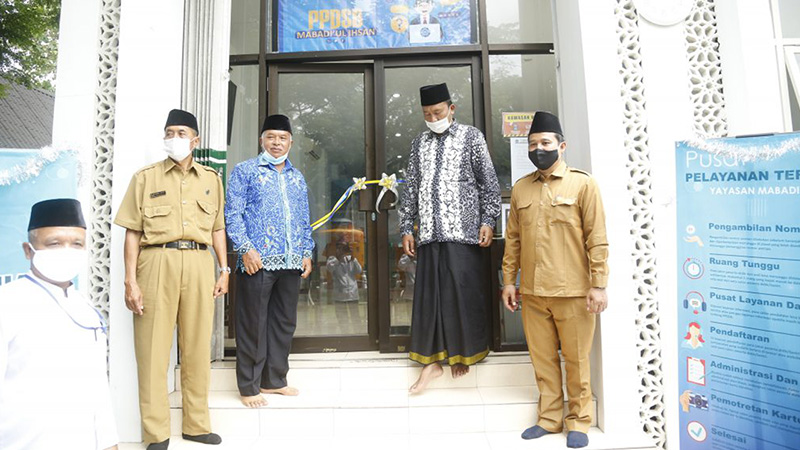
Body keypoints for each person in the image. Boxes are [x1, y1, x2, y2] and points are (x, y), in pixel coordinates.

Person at [114, 109, 228, 449]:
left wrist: (224, 269)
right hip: (156, 261)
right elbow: (132, 232)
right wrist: (130, 280)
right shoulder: (145, 178)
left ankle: (196, 425)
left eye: (181, 133)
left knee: (197, 347)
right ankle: (156, 433)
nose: (173, 138)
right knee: (152, 350)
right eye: (169, 132)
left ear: (195, 140)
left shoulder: (211, 179)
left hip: (199, 262)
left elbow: (218, 228)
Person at [501, 111, 608, 449]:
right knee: (543, 360)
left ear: (561, 146)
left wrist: (598, 284)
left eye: (545, 143)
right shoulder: (521, 188)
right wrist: (509, 281)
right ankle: (549, 419)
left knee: (576, 360)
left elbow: (597, 238)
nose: (539, 149)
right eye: (533, 144)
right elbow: (513, 240)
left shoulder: (583, 184)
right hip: (533, 292)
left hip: (573, 291)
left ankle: (578, 420)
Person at [399, 82, 501, 394]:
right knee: (430, 298)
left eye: (438, 112)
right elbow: (411, 187)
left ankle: (462, 354)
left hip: (464, 231)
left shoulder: (472, 137)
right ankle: (432, 363)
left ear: (451, 109)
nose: (433, 118)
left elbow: (488, 183)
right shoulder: (419, 143)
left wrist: (488, 220)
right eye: (427, 114)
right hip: (430, 232)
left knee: (461, 293)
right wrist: (406, 227)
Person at [0, 198, 118, 450]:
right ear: (28, 250)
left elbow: (98, 389)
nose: (67, 251)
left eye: (77, 244)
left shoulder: (87, 310)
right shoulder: (7, 302)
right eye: (54, 243)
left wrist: (109, 443)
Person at [225, 114, 314, 409]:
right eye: (271, 137)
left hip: (291, 260)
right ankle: (249, 386)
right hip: (257, 261)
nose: (277, 143)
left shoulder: (297, 177)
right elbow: (232, 214)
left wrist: (306, 251)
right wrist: (245, 248)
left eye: (282, 138)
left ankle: (274, 380)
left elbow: (303, 218)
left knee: (283, 323)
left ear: (291, 142)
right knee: (253, 323)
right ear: (261, 140)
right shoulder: (245, 171)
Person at [327, 242, 363, 333]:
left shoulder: (350, 259)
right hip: (340, 295)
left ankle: (357, 334)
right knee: (342, 318)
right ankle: (345, 334)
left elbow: (359, 270)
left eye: (343, 248)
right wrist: (339, 258)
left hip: (352, 293)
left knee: (355, 316)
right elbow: (330, 268)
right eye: (339, 248)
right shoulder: (332, 260)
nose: (341, 250)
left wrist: (353, 258)